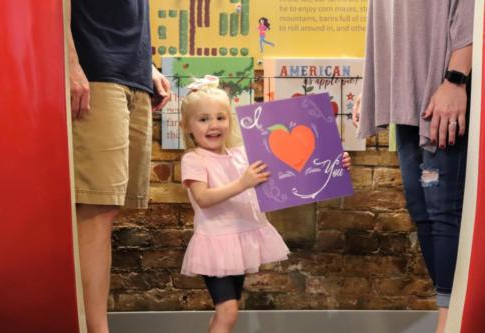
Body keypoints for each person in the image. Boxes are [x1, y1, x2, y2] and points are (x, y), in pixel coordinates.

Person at [179, 76, 352, 333]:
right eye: (203, 119)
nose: (214, 125)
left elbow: (288, 164)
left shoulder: (240, 153)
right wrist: (242, 183)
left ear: (230, 120)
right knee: (228, 311)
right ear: (187, 127)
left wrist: (334, 162)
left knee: (229, 310)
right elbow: (203, 198)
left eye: (220, 117)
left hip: (239, 239)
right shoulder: (194, 159)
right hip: (216, 244)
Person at [353, 1, 474, 332]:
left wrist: (456, 79)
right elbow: (390, 21)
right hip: (406, 95)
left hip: (448, 86)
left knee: (442, 212)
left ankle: (451, 321)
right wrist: (374, 84)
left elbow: (473, 10)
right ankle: (454, 312)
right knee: (420, 210)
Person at [67, 1, 171, 332]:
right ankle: (94, 328)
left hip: (133, 73)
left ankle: (94, 324)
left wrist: (148, 66)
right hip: (94, 67)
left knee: (108, 209)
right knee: (95, 207)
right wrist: (68, 60)